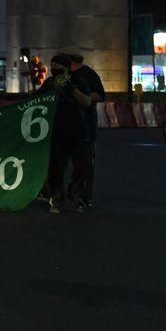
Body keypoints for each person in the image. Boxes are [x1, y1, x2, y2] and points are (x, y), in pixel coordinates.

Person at [40, 54, 94, 213]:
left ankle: (76, 197)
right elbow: (36, 101)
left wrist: (71, 89)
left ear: (67, 68)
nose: (55, 69)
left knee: (83, 166)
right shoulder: (49, 83)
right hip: (56, 133)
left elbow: (87, 102)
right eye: (52, 66)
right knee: (56, 169)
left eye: (59, 67)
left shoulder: (78, 82)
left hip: (78, 132)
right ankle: (56, 200)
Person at [61, 46, 105, 206]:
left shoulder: (88, 75)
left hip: (85, 126)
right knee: (60, 162)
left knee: (84, 163)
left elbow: (100, 95)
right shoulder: (63, 76)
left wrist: (81, 95)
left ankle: (83, 195)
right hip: (64, 126)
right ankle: (58, 193)